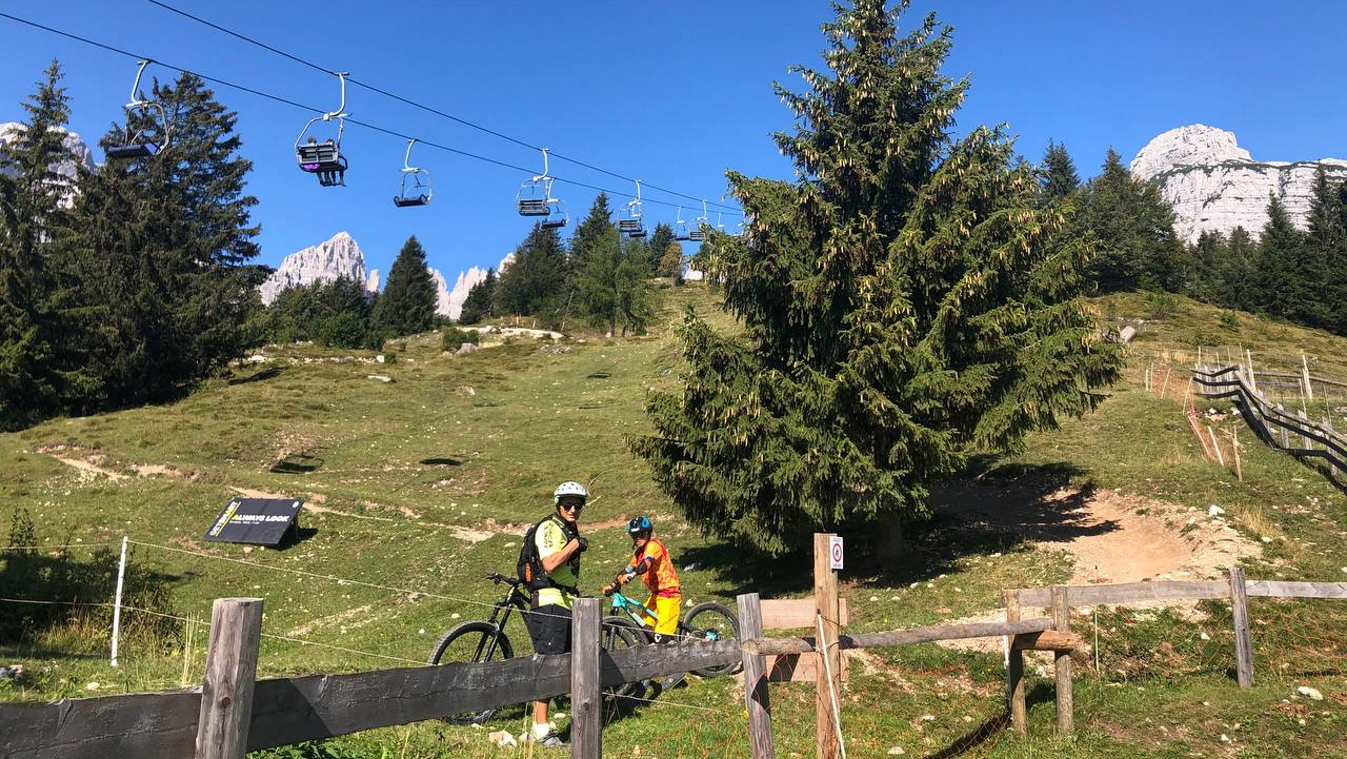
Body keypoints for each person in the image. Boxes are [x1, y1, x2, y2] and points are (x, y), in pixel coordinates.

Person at [524, 480, 588, 746]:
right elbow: (549, 564)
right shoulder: (549, 527)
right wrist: (574, 545)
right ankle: (540, 729)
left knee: (569, 663)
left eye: (578, 505)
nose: (573, 509)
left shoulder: (567, 528)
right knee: (550, 664)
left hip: (566, 600)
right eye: (568, 504)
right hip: (550, 602)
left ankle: (579, 720)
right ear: (558, 505)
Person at [602, 515, 684, 687]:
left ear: (648, 533)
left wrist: (633, 574)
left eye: (641, 534)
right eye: (634, 536)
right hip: (656, 594)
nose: (637, 538)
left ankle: (677, 669)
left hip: (669, 593)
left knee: (662, 636)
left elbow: (647, 563)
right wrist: (613, 583)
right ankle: (659, 661)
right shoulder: (638, 552)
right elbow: (627, 569)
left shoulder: (653, 545)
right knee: (645, 628)